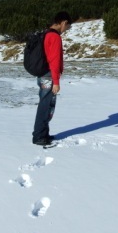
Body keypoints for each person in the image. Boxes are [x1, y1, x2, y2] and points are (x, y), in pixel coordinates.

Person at [32, 11, 72, 146]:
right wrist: (56, 81)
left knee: (45, 105)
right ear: (64, 22)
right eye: (68, 27)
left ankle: (43, 134)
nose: (66, 30)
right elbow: (54, 61)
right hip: (48, 76)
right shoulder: (54, 37)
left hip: (43, 75)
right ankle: (39, 137)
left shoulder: (46, 33)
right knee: (46, 106)